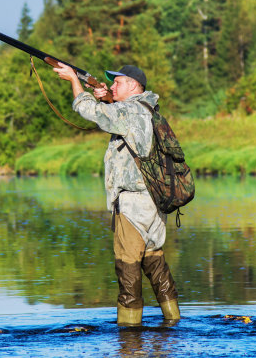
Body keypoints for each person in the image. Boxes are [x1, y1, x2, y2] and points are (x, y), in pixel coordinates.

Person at [52, 62, 180, 326]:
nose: (111, 86)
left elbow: (88, 111)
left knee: (128, 268)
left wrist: (74, 82)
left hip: (132, 204)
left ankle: (129, 337)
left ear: (133, 86)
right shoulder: (146, 109)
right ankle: (174, 324)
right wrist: (108, 98)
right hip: (154, 203)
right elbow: (119, 120)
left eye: (117, 83)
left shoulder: (130, 109)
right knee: (155, 265)